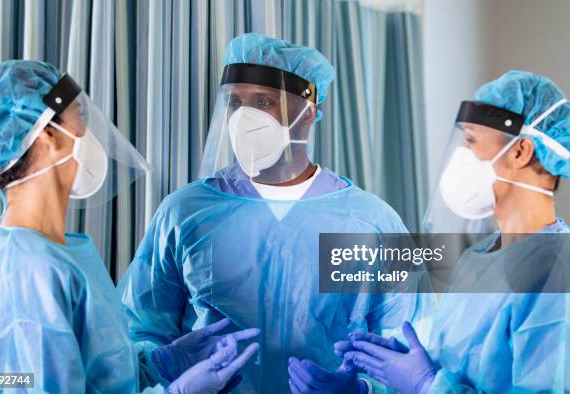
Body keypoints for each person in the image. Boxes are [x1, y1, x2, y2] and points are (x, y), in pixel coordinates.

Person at [119, 33, 435, 393]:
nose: (244, 118)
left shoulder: (374, 220)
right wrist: (165, 367)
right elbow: (139, 329)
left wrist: (363, 389)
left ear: (309, 112)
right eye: (236, 103)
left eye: (264, 101)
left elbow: (410, 344)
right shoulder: (184, 212)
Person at [0, 60, 259, 393]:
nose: (89, 133)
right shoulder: (29, 273)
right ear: (48, 137)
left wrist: (161, 364)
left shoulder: (41, 252)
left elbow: (99, 377)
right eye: (80, 116)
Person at [336, 71, 569, 393]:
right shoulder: (481, 255)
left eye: (472, 140)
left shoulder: (556, 273)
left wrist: (426, 385)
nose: (462, 154)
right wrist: (376, 384)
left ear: (520, 152)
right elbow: (457, 367)